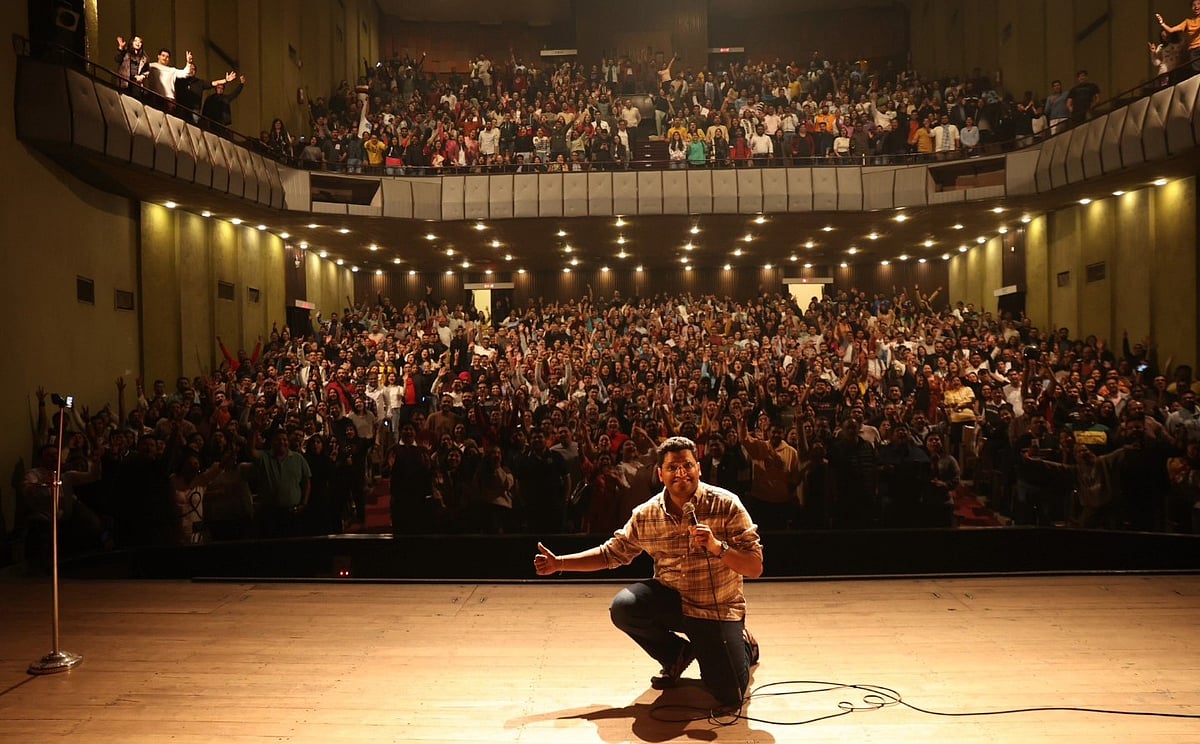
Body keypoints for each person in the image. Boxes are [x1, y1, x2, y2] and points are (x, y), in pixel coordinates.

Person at [534, 436, 763, 713]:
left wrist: (717, 546)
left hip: (715, 609)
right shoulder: (647, 514)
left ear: (699, 469)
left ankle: (744, 644)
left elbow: (754, 566)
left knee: (730, 694)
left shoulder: (727, 505)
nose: (681, 473)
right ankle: (676, 655)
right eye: (673, 467)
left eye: (687, 466)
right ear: (660, 474)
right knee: (624, 607)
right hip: (673, 601)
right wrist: (560, 563)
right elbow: (611, 553)